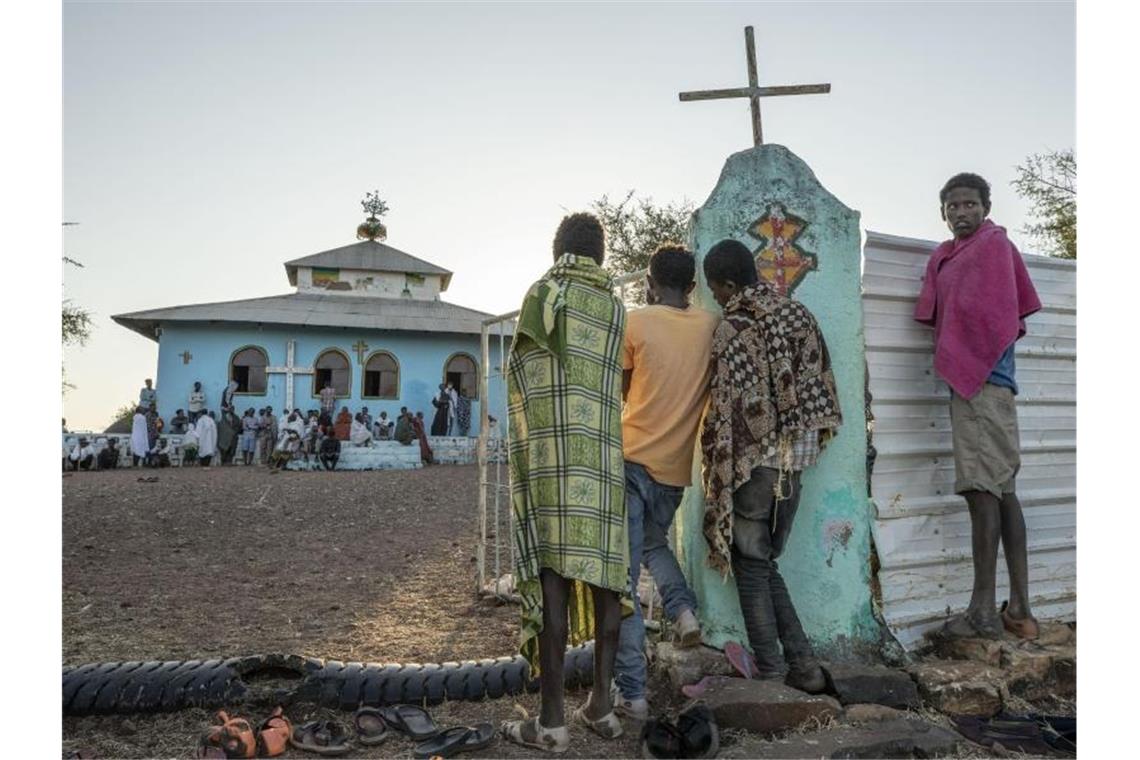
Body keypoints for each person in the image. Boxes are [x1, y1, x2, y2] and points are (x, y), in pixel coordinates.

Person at [501, 213, 628, 752]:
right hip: (603, 460)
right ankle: (602, 704)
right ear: (600, 253)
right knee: (607, 579)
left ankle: (550, 719)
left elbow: (523, 374)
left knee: (552, 576)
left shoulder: (545, 292)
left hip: (555, 460)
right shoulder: (617, 306)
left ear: (558, 251)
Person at [700, 239, 843, 694]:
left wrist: (723, 470)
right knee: (764, 564)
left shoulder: (733, 330)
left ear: (726, 284)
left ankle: (771, 668)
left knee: (752, 566)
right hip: (794, 470)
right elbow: (821, 382)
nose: (717, 300)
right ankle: (802, 665)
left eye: (715, 291)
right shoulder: (799, 315)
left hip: (754, 471)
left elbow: (727, 413)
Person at [914, 173, 1043, 641]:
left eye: (970, 203)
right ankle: (1021, 611)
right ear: (943, 212)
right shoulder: (947, 256)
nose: (961, 212)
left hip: (984, 386)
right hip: (989, 387)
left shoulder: (992, 247)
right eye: (952, 206)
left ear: (985, 207)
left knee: (981, 491)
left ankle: (983, 613)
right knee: (1002, 490)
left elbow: (993, 317)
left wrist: (972, 365)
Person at [613, 244, 720, 719]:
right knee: (654, 543)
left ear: (650, 283)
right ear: (693, 287)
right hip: (675, 471)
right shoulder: (709, 326)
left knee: (624, 578)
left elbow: (621, 387)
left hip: (632, 459)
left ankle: (632, 694)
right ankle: (682, 610)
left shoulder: (635, 322)